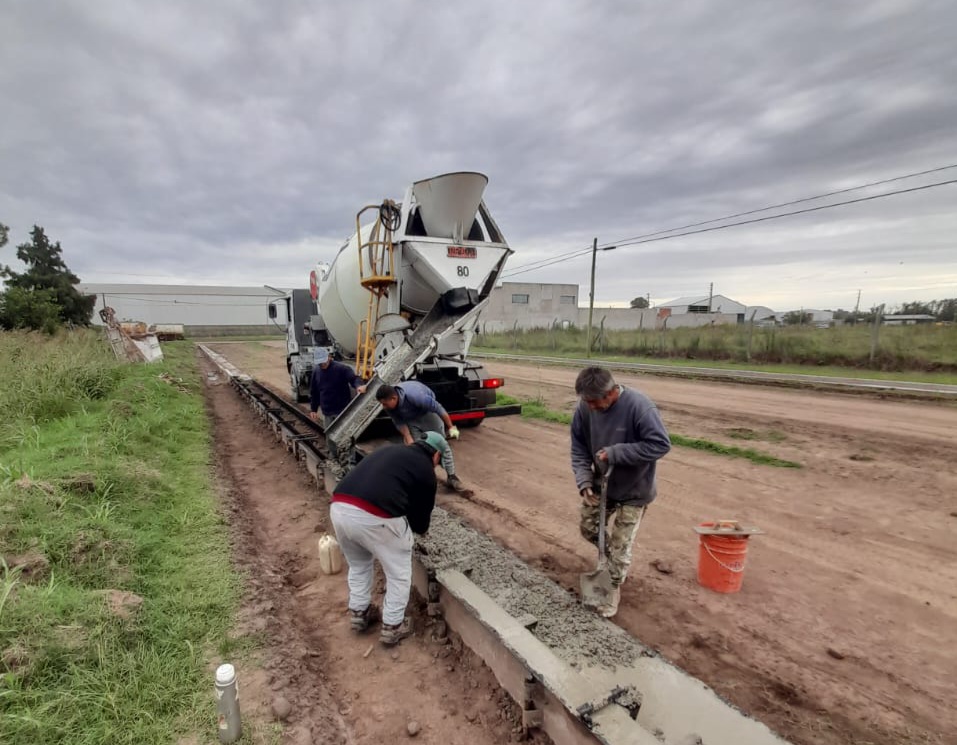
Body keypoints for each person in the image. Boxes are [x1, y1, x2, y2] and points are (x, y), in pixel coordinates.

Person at [329, 431, 449, 646]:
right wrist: (411, 534)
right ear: (436, 455)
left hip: (340, 506)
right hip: (375, 517)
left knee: (358, 565)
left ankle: (359, 613)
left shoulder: (388, 449)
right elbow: (421, 522)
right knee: (398, 573)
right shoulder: (426, 471)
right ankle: (393, 626)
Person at [570, 366, 671, 618]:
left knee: (620, 545)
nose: (590, 407)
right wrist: (584, 480)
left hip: (635, 489)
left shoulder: (639, 406)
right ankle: (608, 562)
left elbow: (660, 444)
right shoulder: (585, 408)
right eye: (586, 402)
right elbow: (579, 446)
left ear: (612, 392)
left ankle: (611, 588)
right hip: (601, 485)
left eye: (594, 402)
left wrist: (617, 453)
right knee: (589, 528)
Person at [375, 381, 466, 492]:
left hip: (428, 414)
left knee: (441, 445)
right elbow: (399, 422)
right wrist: (408, 438)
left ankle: (452, 477)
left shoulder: (416, 396)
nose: (383, 407)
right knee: (417, 450)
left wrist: (451, 427)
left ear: (393, 398)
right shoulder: (390, 406)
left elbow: (439, 408)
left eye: (385, 403)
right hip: (411, 420)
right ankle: (421, 479)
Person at [308, 348, 367, 457]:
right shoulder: (316, 371)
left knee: (346, 436)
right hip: (327, 410)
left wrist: (359, 386)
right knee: (330, 436)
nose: (322, 365)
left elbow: (354, 378)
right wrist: (313, 409)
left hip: (342, 409)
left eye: (324, 362)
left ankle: (350, 460)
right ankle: (334, 458)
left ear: (329, 357)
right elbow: (314, 392)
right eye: (320, 363)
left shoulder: (341, 369)